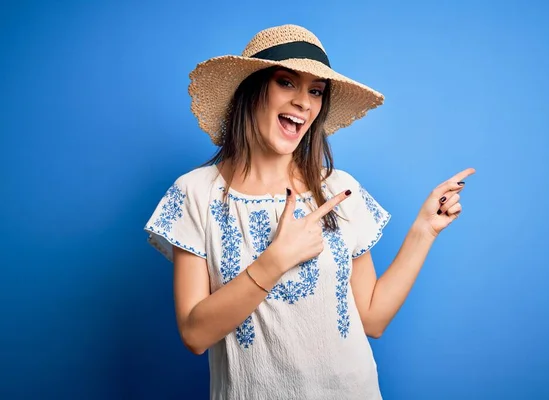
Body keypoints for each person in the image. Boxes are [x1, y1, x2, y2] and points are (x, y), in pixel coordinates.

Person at [144, 24, 475, 400]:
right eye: (286, 82)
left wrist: (425, 230)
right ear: (252, 91)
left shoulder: (338, 189)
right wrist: (275, 261)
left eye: (315, 91)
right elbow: (194, 335)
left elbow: (373, 318)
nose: (304, 102)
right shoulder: (195, 192)